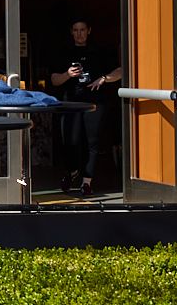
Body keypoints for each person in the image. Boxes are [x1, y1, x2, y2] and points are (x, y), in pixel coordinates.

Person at [47, 18, 124, 195]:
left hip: (95, 101)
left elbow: (120, 70)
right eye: (76, 30)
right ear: (71, 32)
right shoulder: (64, 51)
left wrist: (104, 78)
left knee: (92, 141)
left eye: (82, 30)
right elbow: (54, 80)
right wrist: (68, 74)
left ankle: (87, 182)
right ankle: (72, 170)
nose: (79, 33)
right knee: (70, 141)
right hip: (71, 101)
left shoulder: (100, 50)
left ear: (89, 30)